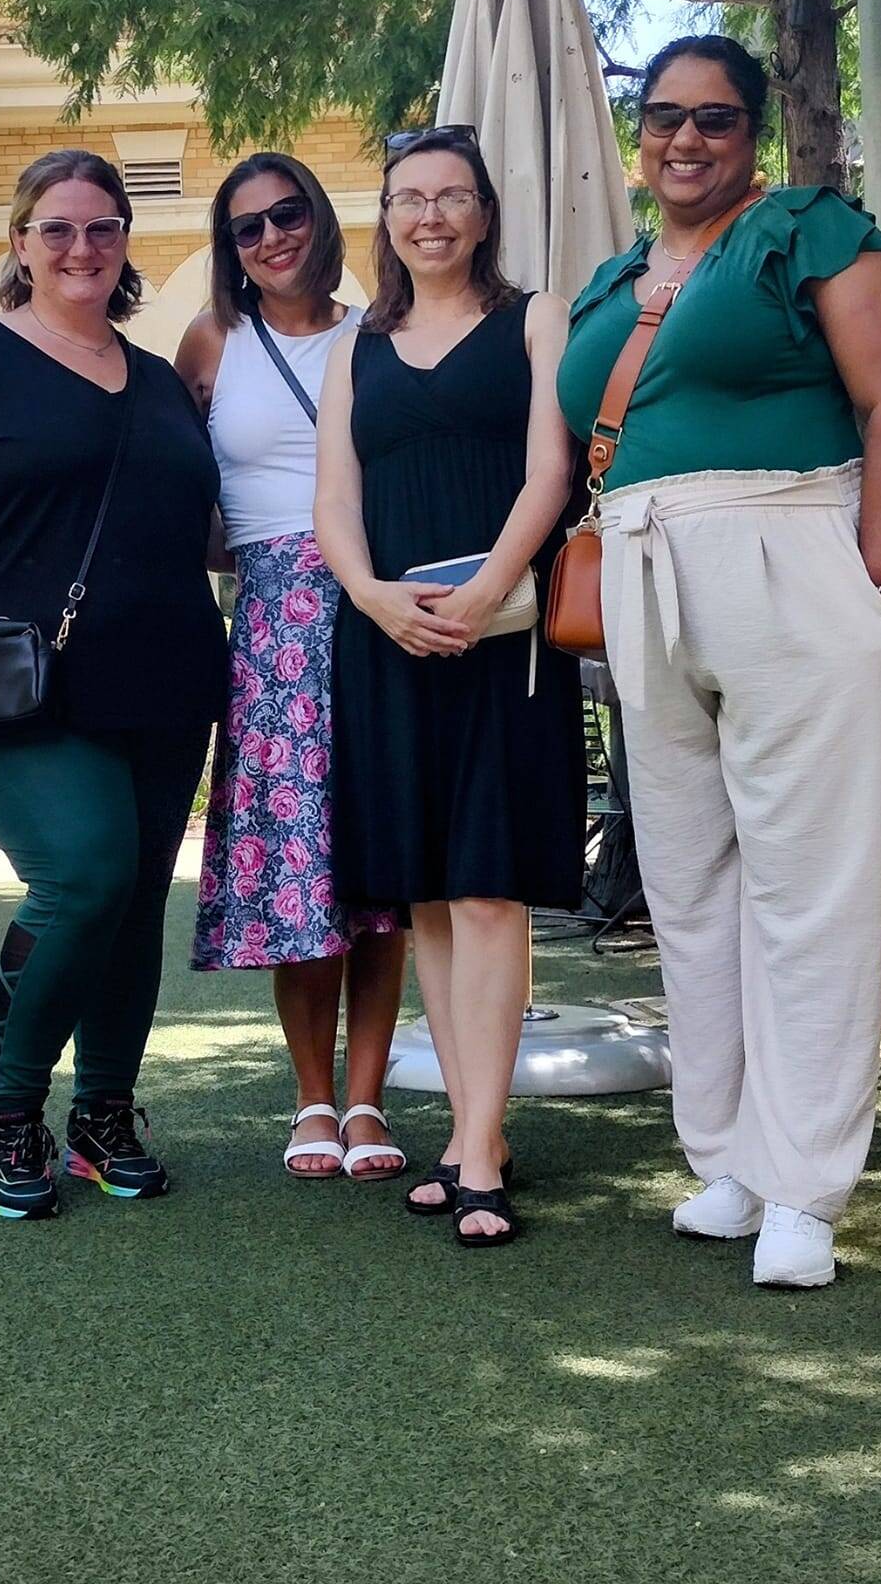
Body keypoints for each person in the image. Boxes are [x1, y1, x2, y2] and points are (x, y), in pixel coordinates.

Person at [557, 34, 881, 1290]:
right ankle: (726, 1153)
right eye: (664, 114)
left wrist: (877, 581)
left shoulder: (809, 230)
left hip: (789, 553)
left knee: (808, 886)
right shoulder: (612, 280)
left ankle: (806, 1181)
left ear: (753, 131)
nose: (685, 137)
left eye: (714, 118)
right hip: (644, 570)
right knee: (687, 880)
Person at [0, 148, 227, 1221]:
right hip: (17, 680)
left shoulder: (160, 380)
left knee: (135, 898)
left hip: (166, 675)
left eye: (103, 227)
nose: (83, 247)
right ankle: (10, 1112)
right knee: (83, 873)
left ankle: (105, 1113)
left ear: (125, 241)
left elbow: (200, 526)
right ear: (21, 243)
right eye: (59, 228)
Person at [315, 126, 585, 1247]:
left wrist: (484, 590)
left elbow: (551, 471)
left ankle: (478, 1145)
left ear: (483, 213)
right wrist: (374, 596)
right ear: (386, 217)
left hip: (504, 635)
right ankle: (478, 1132)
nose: (430, 216)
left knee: (487, 889)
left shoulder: (535, 318)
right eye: (409, 198)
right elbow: (334, 499)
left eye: (452, 196)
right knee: (427, 891)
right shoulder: (355, 345)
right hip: (386, 638)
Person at [176, 153, 408, 1182]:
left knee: (379, 874)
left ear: (319, 218)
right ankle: (313, 1095)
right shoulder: (212, 341)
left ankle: (367, 1099)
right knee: (296, 871)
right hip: (272, 621)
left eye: (286, 214)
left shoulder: (384, 332)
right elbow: (176, 482)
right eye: (247, 227)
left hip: (379, 609)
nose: (271, 237)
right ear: (231, 249)